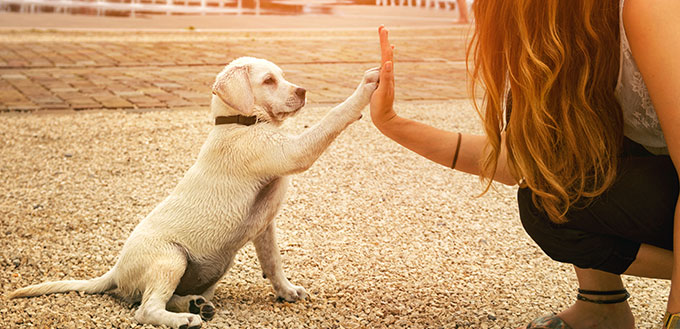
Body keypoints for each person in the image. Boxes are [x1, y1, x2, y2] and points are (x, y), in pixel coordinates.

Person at [369, 0, 680, 327]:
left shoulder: (649, 7)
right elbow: (519, 164)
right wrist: (392, 123)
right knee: (548, 203)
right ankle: (602, 307)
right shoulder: (563, 39)